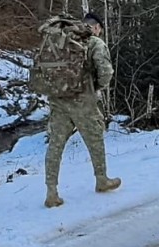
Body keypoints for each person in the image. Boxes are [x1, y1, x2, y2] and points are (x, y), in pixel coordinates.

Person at [44, 11, 121, 208]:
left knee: (55, 145)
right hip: (83, 101)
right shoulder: (95, 43)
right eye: (100, 29)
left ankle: (51, 192)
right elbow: (106, 72)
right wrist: (95, 87)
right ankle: (102, 180)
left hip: (58, 98)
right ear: (96, 27)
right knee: (95, 138)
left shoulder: (60, 40)